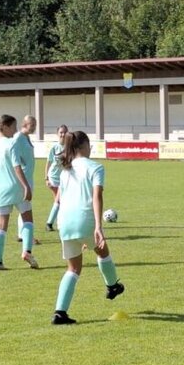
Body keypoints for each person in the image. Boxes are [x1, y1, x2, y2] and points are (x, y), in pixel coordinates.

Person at [52, 130, 125, 324]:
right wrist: (98, 226)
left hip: (65, 222)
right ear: (84, 146)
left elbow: (61, 198)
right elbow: (97, 196)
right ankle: (112, 286)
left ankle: (60, 312)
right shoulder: (96, 167)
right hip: (85, 219)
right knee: (103, 252)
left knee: (73, 269)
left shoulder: (65, 169)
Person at [0, 114, 37, 271]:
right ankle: (27, 252)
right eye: (13, 127)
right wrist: (26, 186)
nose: (15, 131)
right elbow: (17, 166)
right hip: (17, 187)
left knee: (1, 226)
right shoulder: (11, 143)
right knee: (27, 219)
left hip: (0, 190)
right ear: (5, 127)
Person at [13, 115, 40, 250]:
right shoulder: (18, 138)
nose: (34, 126)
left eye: (35, 124)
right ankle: (26, 236)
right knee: (26, 207)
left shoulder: (27, 137)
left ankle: (22, 234)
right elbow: (13, 155)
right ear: (25, 124)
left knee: (24, 208)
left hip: (29, 177)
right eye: (32, 124)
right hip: (23, 180)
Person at [44, 124, 70, 230]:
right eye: (61, 132)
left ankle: (60, 222)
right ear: (57, 134)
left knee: (60, 201)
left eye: (65, 132)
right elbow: (48, 163)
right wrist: (46, 178)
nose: (63, 134)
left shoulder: (70, 148)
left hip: (64, 178)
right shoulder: (54, 148)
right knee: (59, 200)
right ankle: (49, 223)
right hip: (53, 178)